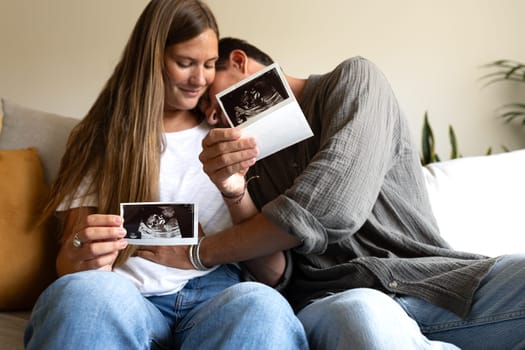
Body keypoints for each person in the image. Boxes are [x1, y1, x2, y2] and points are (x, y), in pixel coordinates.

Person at [169, 37, 525, 349]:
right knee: (363, 314)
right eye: (205, 116)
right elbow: (277, 274)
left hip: (435, 283)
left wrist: (201, 252)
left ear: (238, 61)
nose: (213, 118)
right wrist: (234, 192)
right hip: (340, 299)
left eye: (212, 102)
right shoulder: (251, 165)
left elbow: (333, 209)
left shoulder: (353, 80)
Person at [23, 4, 308, 350]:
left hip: (218, 292)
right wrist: (84, 249)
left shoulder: (233, 125)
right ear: (151, 59)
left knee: (263, 307)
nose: (199, 79)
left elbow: (274, 267)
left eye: (208, 64)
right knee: (81, 294)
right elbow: (70, 262)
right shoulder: (101, 136)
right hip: (128, 295)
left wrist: (234, 192)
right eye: (185, 63)